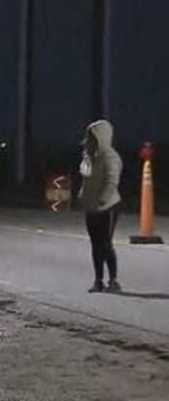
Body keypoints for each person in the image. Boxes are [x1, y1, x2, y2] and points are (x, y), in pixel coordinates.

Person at [78, 119, 122, 293]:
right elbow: (85, 178)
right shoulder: (88, 156)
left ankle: (113, 280)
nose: (88, 140)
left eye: (92, 137)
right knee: (95, 244)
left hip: (108, 206)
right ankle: (98, 281)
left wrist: (104, 198)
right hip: (91, 206)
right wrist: (83, 195)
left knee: (105, 243)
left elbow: (112, 180)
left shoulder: (110, 156)